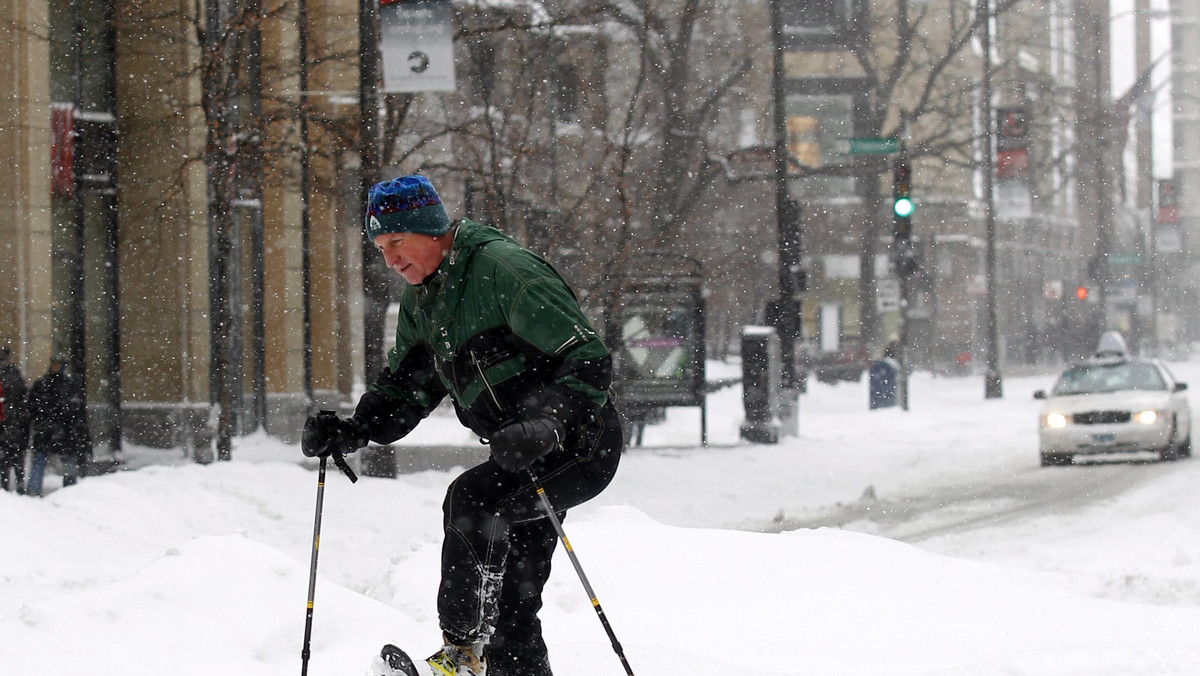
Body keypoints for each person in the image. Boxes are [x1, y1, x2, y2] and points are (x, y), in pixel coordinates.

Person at [301, 175, 622, 676]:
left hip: (580, 441)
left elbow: (589, 359)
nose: (389, 259)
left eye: (396, 243)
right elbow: (406, 389)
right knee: (515, 607)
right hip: (516, 451)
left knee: (474, 500)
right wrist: (353, 429)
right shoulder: (423, 302)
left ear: (429, 229)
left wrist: (547, 425)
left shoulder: (504, 272)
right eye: (380, 248)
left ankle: (462, 655)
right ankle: (491, 660)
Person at [26, 355, 92, 497]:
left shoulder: (61, 385)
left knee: (58, 462)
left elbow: (77, 411)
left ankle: (68, 493)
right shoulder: (53, 385)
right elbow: (32, 408)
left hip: (59, 432)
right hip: (54, 431)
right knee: (44, 461)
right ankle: (38, 492)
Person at [0, 346, 29, 494]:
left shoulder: (12, 374)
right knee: (11, 460)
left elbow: (21, 398)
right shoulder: (13, 374)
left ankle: (12, 488)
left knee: (10, 459)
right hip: (11, 423)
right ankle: (13, 487)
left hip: (11, 422)